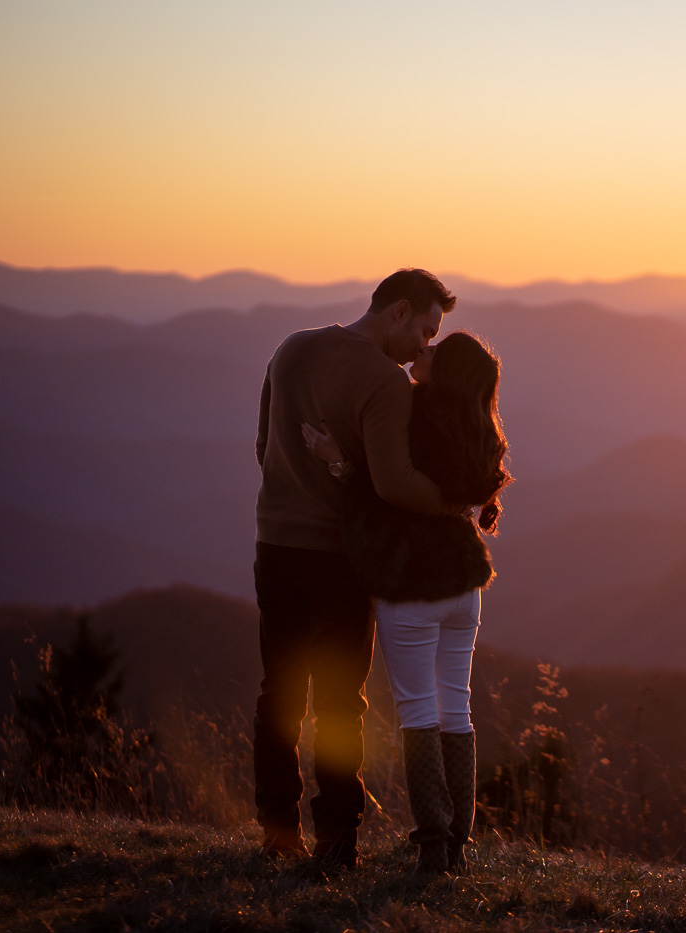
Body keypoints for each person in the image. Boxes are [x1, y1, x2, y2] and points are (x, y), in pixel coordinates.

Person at [252, 268, 458, 869]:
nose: (426, 346)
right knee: (341, 704)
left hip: (275, 546)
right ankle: (338, 842)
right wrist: (454, 503)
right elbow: (394, 486)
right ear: (398, 311)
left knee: (278, 695)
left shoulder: (292, 348)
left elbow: (263, 447)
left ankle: (277, 835)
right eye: (425, 329)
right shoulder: (384, 383)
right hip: (338, 558)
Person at [301, 330, 511, 875]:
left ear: (447, 373)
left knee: (417, 710)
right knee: (455, 706)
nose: (424, 351)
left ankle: (433, 844)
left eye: (436, 352)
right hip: (464, 587)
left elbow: (383, 489)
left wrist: (335, 460)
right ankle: (456, 843)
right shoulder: (479, 428)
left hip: (410, 583)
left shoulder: (411, 411)